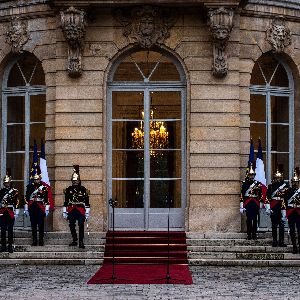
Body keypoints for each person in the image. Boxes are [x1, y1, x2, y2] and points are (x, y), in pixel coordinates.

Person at [63, 165, 90, 249]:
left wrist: (87, 213)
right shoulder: (68, 189)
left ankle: (81, 241)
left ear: (79, 181)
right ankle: (75, 240)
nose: (75, 182)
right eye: (73, 181)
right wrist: (64, 211)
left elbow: (87, 202)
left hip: (80, 209)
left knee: (81, 224)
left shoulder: (83, 189)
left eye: (76, 180)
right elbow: (66, 201)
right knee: (71, 225)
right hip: (71, 209)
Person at [24, 168, 49, 246]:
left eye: (37, 179)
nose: (36, 181)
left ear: (40, 179)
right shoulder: (29, 187)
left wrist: (47, 209)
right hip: (32, 207)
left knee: (41, 224)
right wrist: (26, 208)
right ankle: (34, 240)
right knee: (33, 225)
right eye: (35, 180)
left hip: (40, 207)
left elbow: (46, 199)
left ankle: (41, 240)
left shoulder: (44, 188)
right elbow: (26, 198)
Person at [266, 169, 289, 247]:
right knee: (274, 225)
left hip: (282, 207)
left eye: (279, 178)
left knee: (282, 225)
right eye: (276, 178)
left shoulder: (285, 186)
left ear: (281, 178)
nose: (278, 179)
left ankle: (281, 241)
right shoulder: (270, 186)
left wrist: (287, 208)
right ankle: (274, 241)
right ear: (274, 178)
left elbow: (287, 198)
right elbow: (267, 198)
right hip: (274, 207)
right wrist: (268, 208)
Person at [240, 164, 263, 240]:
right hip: (248, 203)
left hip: (255, 203)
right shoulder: (245, 184)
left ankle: (254, 234)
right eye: (250, 175)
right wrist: (241, 205)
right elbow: (242, 195)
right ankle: (249, 234)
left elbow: (261, 195)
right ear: (248, 175)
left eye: (253, 175)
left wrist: (261, 203)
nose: (251, 176)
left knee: (255, 219)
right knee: (249, 219)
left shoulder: (258, 184)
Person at [0, 170, 19, 253]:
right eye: (5, 182)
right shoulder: (1, 191)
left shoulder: (14, 191)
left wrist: (17, 211)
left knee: (10, 229)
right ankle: (3, 246)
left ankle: (10, 246)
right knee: (3, 229)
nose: (6, 184)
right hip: (3, 211)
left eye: (8, 182)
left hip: (11, 211)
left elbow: (17, 201)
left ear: (10, 183)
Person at [285, 168, 300, 254]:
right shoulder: (288, 191)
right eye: (293, 182)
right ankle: (294, 247)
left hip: (298, 212)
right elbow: (285, 202)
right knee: (292, 231)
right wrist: (285, 212)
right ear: (291, 182)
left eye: (296, 182)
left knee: (299, 231)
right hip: (291, 212)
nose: (295, 183)